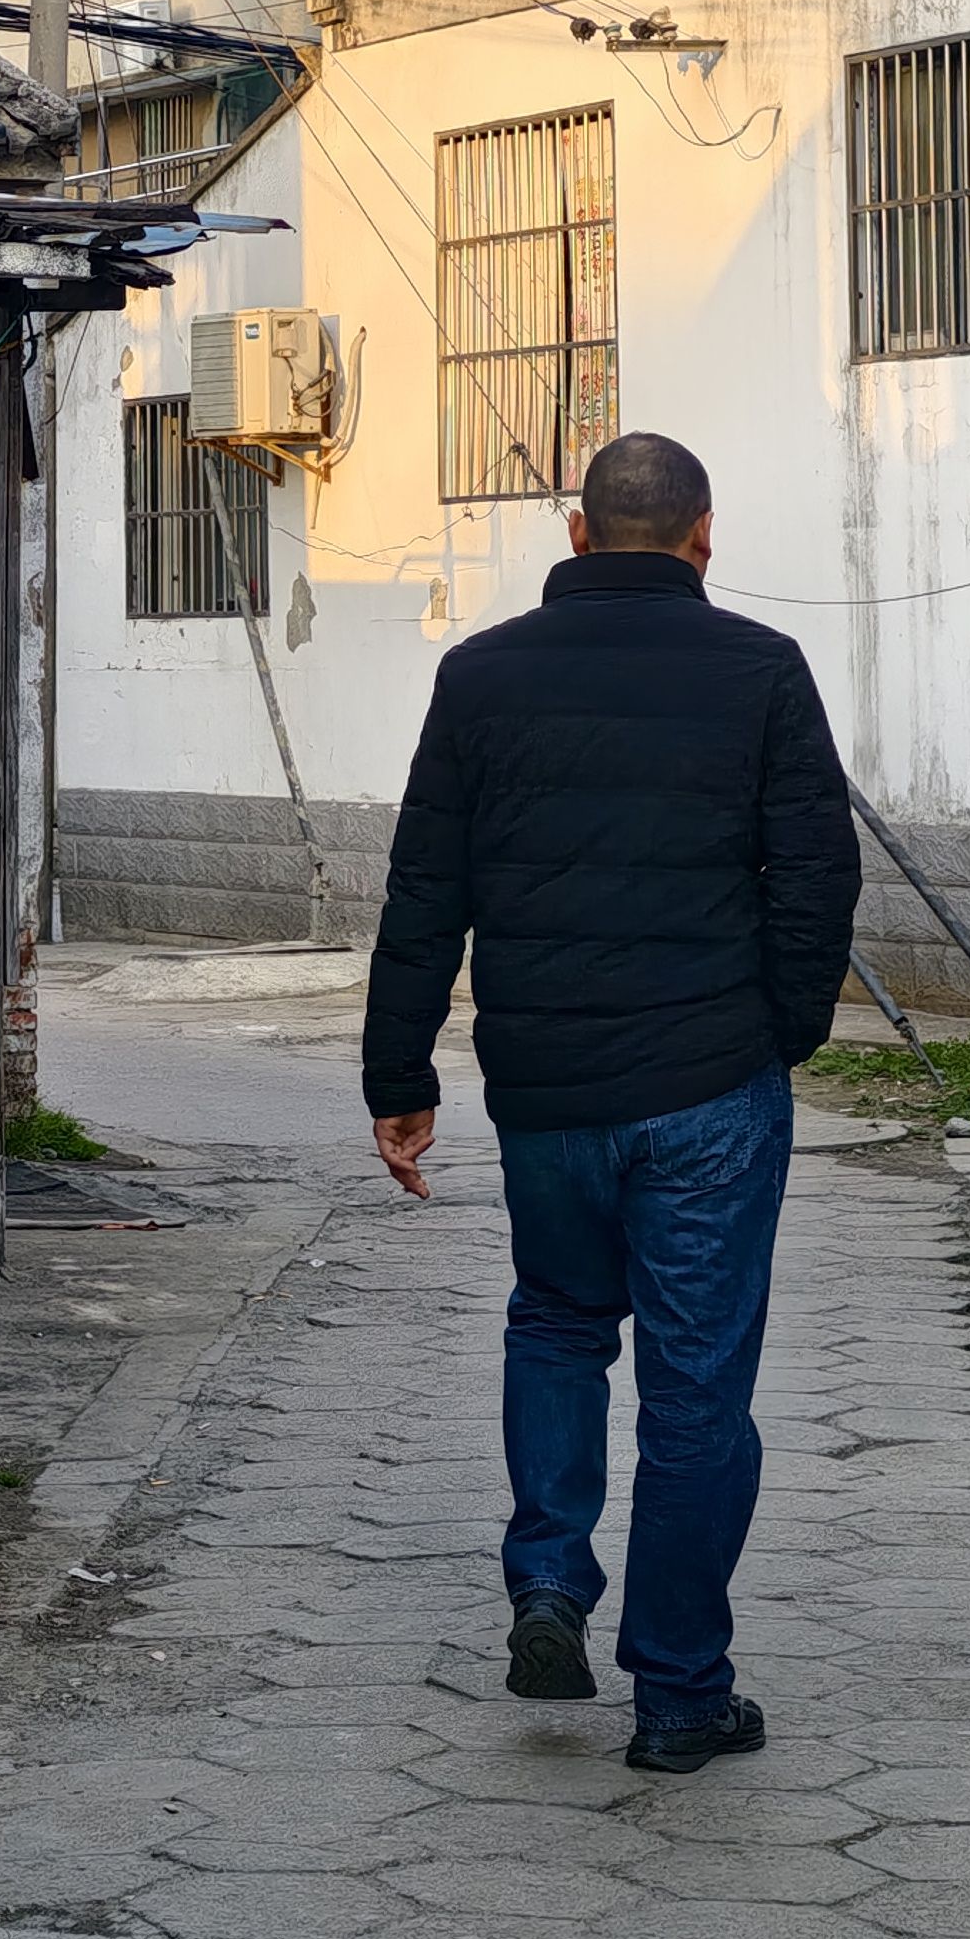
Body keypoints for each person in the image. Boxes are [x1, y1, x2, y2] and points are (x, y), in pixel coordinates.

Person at [359, 428, 860, 1772]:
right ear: (705, 537)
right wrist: (782, 1033)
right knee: (696, 1389)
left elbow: (426, 888)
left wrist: (400, 1074)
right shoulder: (761, 669)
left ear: (576, 535)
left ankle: (548, 1583)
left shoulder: (480, 676)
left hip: (546, 1092)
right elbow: (818, 876)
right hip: (710, 1088)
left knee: (558, 1319)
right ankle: (681, 1696)